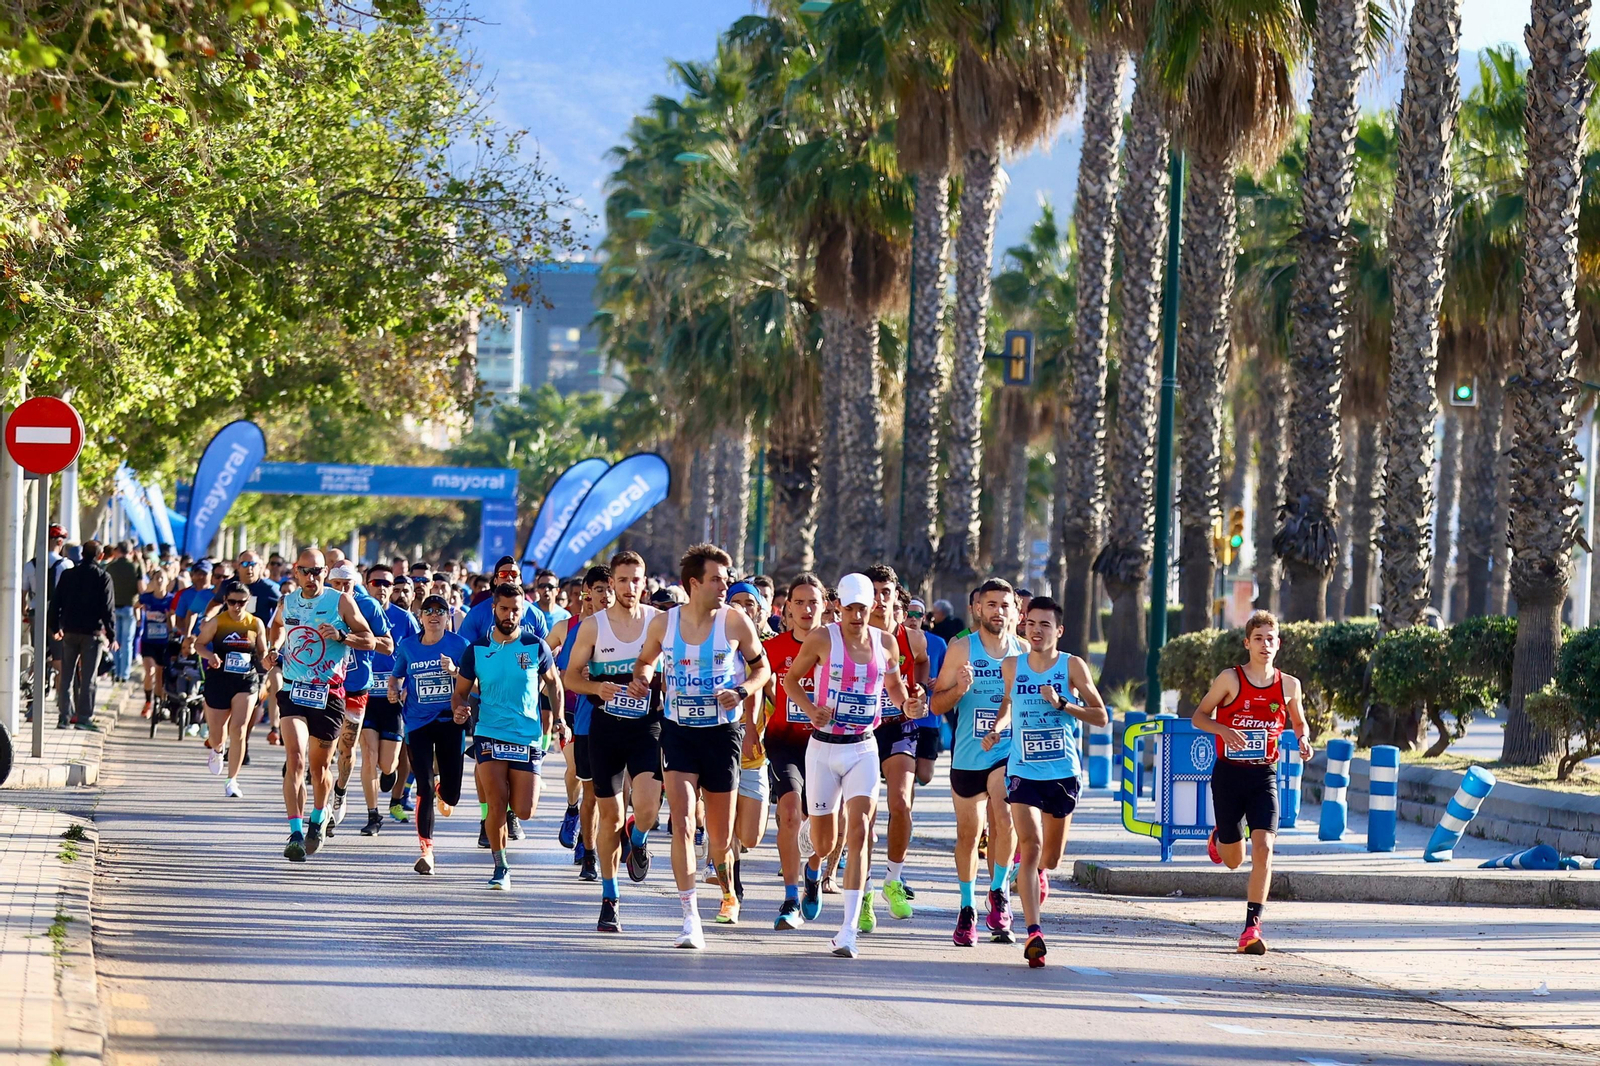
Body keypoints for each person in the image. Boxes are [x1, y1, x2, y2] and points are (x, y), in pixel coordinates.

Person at [626, 544, 771, 948]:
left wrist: (741, 690)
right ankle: (690, 917)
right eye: (717, 579)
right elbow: (645, 661)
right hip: (678, 731)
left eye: (726, 579)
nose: (725, 586)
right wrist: (643, 676)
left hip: (723, 735)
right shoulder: (663, 624)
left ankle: (727, 890)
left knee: (721, 838)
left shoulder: (736, 621)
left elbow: (762, 667)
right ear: (694, 583)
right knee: (684, 822)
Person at [783, 572, 924, 958]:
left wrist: (908, 704)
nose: (858, 616)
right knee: (826, 842)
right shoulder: (822, 638)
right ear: (838, 607)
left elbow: (895, 689)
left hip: (863, 747)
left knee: (859, 831)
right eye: (851, 609)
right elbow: (791, 681)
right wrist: (812, 709)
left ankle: (847, 930)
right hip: (824, 749)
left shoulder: (886, 643)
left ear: (873, 607)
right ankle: (813, 864)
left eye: (864, 608)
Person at [984, 596, 1107, 967]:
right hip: (1022, 770)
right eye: (1031, 624)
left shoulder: (1072, 666)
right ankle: (1033, 932)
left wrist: (1062, 705)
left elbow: (1100, 715)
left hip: (1062, 773)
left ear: (1059, 631)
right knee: (1031, 843)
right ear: (1024, 626)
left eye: (1045, 625)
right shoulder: (1012, 666)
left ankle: (1033, 871)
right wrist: (997, 728)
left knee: (1049, 858)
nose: (1036, 631)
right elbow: (1008, 704)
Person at [1193, 610, 1312, 955]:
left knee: (1265, 848)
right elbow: (1199, 716)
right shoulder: (1230, 679)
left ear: (1279, 644)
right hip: (1229, 774)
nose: (1264, 644)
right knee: (1233, 860)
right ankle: (1221, 836)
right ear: (1247, 643)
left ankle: (1251, 928)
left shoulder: (1289, 685)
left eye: (1270, 638)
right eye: (1258, 638)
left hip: (1264, 775)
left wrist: (1303, 739)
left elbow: (1299, 723)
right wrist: (1224, 729)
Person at [564, 553, 663, 933]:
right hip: (605, 729)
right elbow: (570, 677)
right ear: (613, 583)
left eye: (636, 580)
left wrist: (656, 680)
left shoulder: (658, 621)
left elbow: (672, 666)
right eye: (622, 580)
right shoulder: (593, 627)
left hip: (646, 727)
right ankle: (610, 898)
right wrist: (596, 687)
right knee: (611, 817)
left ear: (644, 581)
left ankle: (638, 840)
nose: (629, 587)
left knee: (648, 809)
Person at [264, 549, 377, 862]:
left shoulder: (340, 601)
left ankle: (318, 817)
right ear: (296, 572)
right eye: (305, 571)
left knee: (319, 768)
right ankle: (296, 832)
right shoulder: (287, 601)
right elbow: (276, 627)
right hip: (293, 689)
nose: (311, 578)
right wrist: (273, 650)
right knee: (296, 759)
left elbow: (369, 639)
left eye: (317, 571)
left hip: (328, 694)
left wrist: (342, 635)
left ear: (325, 572)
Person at [931, 578, 1026, 946]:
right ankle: (967, 907)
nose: (998, 611)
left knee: (1004, 817)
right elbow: (936, 705)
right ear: (977, 609)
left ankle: (999, 891)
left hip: (1008, 752)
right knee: (968, 835)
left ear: (1015, 610)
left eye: (1005, 605)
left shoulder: (1023, 653)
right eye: (991, 605)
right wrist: (959, 689)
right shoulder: (961, 649)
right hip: (968, 754)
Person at [454, 584, 566, 890]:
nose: (510, 615)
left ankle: (521, 791)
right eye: (504, 609)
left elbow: (555, 685)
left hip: (526, 735)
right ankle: (500, 866)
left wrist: (560, 720)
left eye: (516, 609)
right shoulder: (476, 649)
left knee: (525, 810)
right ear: (494, 609)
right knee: (496, 801)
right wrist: (460, 710)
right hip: (488, 732)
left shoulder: (535, 646)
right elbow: (460, 693)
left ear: (523, 611)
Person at [864, 564, 927, 924]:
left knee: (901, 803)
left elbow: (921, 663)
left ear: (895, 597)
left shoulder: (911, 637)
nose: (878, 600)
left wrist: (917, 692)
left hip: (898, 726)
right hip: (859, 729)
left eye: (885, 593)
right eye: (872, 593)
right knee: (865, 817)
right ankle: (867, 888)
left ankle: (893, 878)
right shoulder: (847, 635)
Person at [390, 594, 470, 873]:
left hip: (450, 721)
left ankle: (442, 790)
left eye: (440, 611)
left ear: (448, 617)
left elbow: (475, 682)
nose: (434, 615)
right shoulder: (408, 646)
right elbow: (397, 673)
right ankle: (427, 852)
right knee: (423, 785)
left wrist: (455, 671)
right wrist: (392, 687)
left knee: (452, 795)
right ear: (420, 616)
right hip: (417, 722)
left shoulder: (460, 645)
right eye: (428, 611)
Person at [762, 573, 823, 929]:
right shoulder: (775, 648)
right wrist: (753, 729)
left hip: (827, 744)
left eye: (813, 602)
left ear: (825, 607)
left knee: (823, 824)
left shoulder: (836, 645)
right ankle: (789, 898)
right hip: (784, 741)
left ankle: (813, 871)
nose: (806, 609)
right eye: (799, 602)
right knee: (789, 812)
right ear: (787, 609)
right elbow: (757, 685)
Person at [326, 563, 394, 835]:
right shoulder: (319, 602)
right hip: (325, 686)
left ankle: (340, 791)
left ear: (356, 584)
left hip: (355, 688)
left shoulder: (369, 606)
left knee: (346, 748)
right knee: (324, 748)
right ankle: (322, 810)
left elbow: (388, 646)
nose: (343, 590)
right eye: (337, 584)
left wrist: (351, 639)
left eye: (348, 585)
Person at [195, 586, 269, 797]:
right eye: (232, 602)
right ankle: (217, 750)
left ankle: (232, 780)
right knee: (217, 735)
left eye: (242, 603)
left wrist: (267, 658)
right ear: (226, 600)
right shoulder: (218, 622)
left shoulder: (255, 623)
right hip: (219, 679)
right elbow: (199, 644)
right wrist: (210, 656)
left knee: (239, 729)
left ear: (248, 602)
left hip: (246, 680)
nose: (237, 607)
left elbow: (262, 651)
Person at [49, 539, 116, 731]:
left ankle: (64, 717)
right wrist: (112, 636)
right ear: (100, 556)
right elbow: (107, 609)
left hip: (69, 631)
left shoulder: (68, 575)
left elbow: (56, 602)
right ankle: (84, 718)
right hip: (91, 634)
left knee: (66, 675)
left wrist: (55, 627)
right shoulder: (103, 577)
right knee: (88, 678)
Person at [460, 556, 551, 645]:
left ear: (520, 580)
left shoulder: (535, 614)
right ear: (495, 580)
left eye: (514, 574)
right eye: (503, 574)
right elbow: (465, 650)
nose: (509, 578)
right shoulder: (477, 613)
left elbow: (546, 650)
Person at [138, 570, 174, 716]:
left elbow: (173, 624)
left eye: (162, 578)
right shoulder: (146, 597)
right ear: (152, 581)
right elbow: (136, 606)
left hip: (164, 643)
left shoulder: (171, 599)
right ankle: (148, 702)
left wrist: (169, 618)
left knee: (159, 674)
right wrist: (139, 619)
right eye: (156, 578)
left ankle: (158, 703)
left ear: (167, 581)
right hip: (148, 641)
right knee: (150, 671)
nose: (159, 581)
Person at [106, 542, 142, 682]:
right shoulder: (135, 567)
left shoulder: (111, 567)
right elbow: (141, 588)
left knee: (114, 641)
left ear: (118, 551)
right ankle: (124, 674)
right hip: (129, 607)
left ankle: (115, 670)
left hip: (113, 608)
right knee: (127, 643)